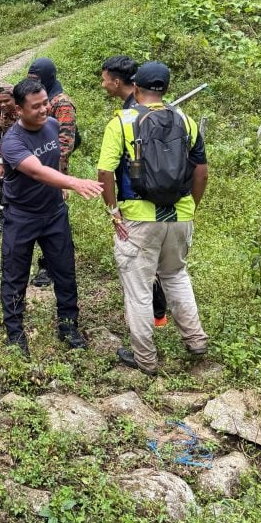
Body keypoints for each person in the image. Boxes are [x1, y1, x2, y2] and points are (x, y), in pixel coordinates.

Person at [96, 61, 210, 375]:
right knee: (176, 276)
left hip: (138, 218)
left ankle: (145, 359)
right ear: (166, 88)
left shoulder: (122, 122)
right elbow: (201, 171)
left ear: (137, 86)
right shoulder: (186, 121)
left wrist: (113, 211)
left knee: (139, 289)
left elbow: (105, 172)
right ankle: (196, 340)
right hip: (181, 214)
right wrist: (191, 207)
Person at [0, 77, 103, 355]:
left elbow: (54, 162)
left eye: (45, 102)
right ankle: (15, 334)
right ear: (19, 110)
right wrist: (73, 183)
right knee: (15, 276)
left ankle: (68, 326)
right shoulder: (12, 141)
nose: (44, 109)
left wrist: (62, 183)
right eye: (36, 106)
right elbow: (35, 170)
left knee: (65, 271)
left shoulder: (54, 126)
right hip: (21, 216)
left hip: (54, 213)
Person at [100, 55, 169, 328]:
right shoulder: (162, 111)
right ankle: (159, 316)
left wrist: (114, 211)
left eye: (105, 79)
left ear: (117, 82)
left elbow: (108, 169)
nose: (103, 84)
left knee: (143, 271)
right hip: (168, 202)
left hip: (139, 204)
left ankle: (153, 320)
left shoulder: (131, 114)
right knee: (165, 270)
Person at [26, 58, 80, 287]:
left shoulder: (62, 103)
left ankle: (51, 266)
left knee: (54, 222)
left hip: (53, 171)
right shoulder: (43, 98)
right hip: (39, 168)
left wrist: (60, 181)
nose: (33, 85)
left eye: (36, 80)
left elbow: (64, 145)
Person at [0, 84, 18, 235]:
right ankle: (4, 222)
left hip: (26, 156)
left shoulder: (24, 111)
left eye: (6, 101)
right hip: (7, 156)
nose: (2, 104)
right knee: (4, 186)